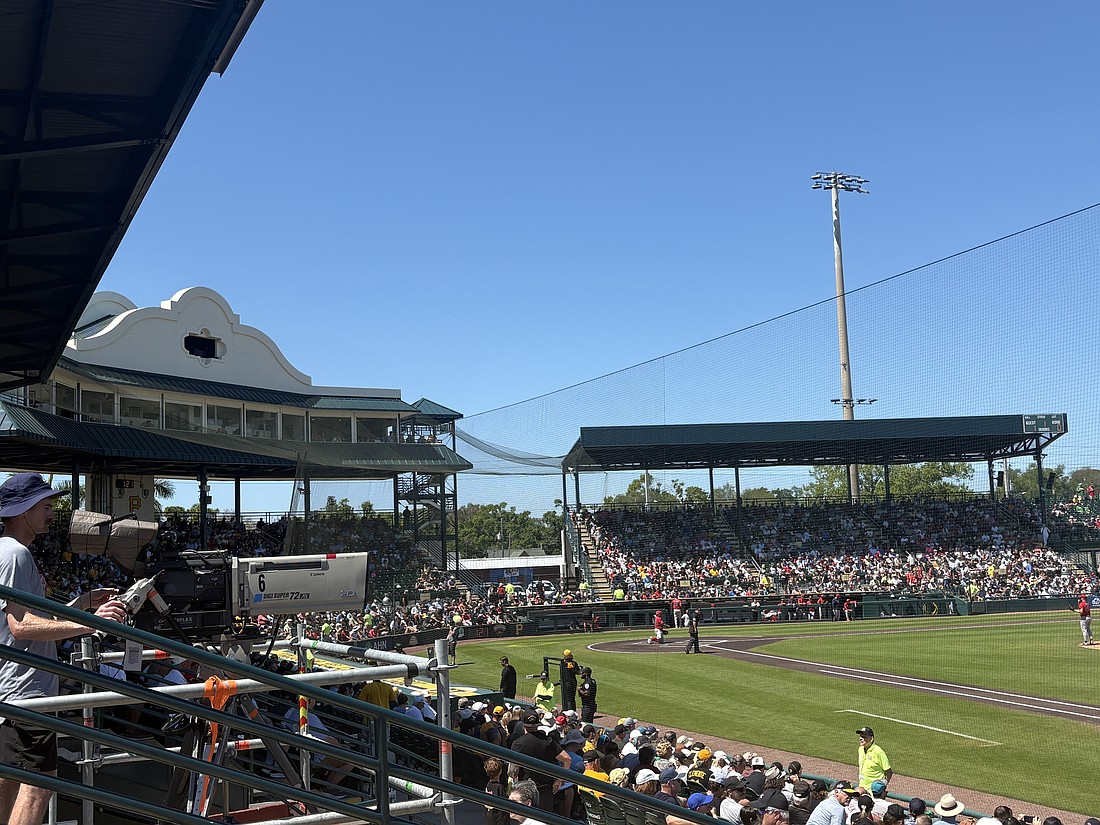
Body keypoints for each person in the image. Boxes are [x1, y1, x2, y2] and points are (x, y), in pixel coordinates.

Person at [0, 473, 128, 825]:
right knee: (38, 784)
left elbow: (28, 619)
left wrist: (82, 603)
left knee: (11, 783)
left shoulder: (9, 552)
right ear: (23, 510)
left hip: (15, 693)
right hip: (27, 693)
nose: (52, 511)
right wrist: (93, 623)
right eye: (45, 505)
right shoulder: (15, 555)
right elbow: (21, 626)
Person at [855, 727, 892, 791]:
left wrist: (883, 785)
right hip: (862, 788)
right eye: (860, 736)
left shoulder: (878, 752)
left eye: (864, 737)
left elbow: (889, 771)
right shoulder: (860, 749)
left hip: (873, 792)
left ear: (871, 739)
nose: (861, 738)